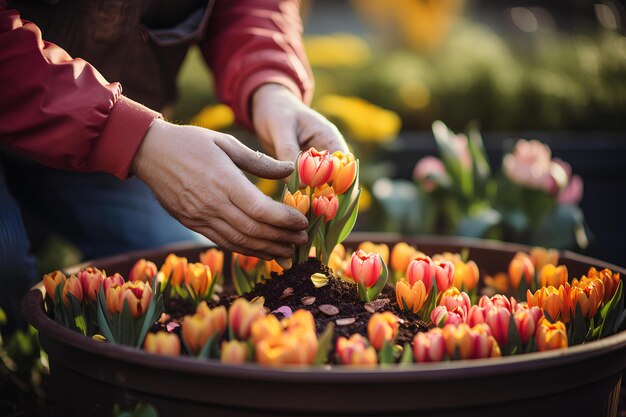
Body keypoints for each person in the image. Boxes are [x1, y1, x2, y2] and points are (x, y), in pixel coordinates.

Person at [0, 0, 347, 326]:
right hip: (110, 129)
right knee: (5, 258)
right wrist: (136, 140)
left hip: (105, 142)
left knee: (190, 263)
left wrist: (271, 85)